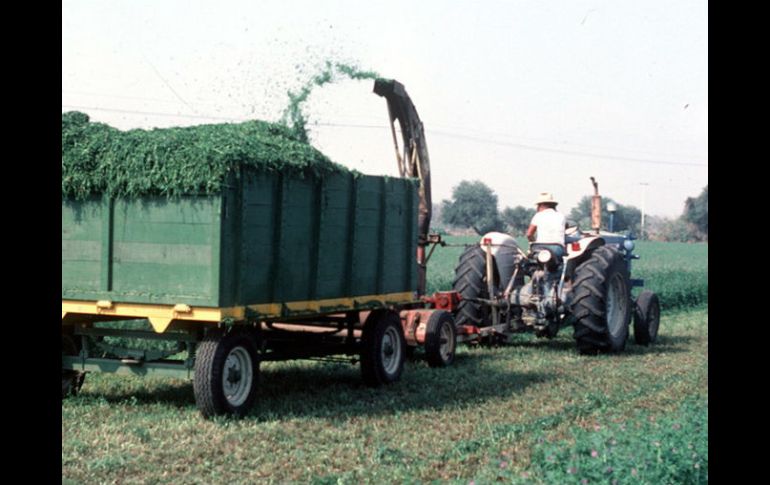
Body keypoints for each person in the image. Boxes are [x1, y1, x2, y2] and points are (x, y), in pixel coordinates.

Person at [526, 192, 566, 260]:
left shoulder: (538, 215)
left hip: (539, 247)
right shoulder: (561, 216)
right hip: (557, 247)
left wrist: (533, 241)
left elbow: (529, 234)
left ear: (541, 205)